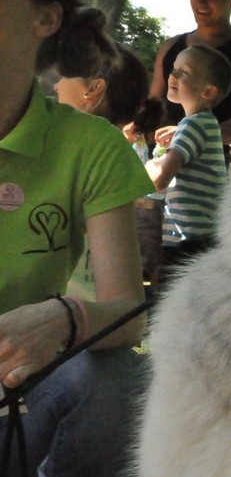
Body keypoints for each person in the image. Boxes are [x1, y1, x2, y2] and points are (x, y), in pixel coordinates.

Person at [0, 0, 152, 477]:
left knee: (116, 380)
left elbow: (129, 316)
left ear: (45, 19)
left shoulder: (88, 144)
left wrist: (64, 317)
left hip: (17, 400)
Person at [46, 19, 164, 298]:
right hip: (95, 313)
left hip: (73, 315)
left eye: (64, 77)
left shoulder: (83, 152)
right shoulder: (118, 151)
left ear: (93, 89)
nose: (55, 87)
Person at [148, 0, 231, 154]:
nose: (200, 1)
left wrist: (191, 134)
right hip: (160, 161)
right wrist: (138, 127)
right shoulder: (170, 47)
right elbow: (152, 107)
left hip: (209, 172)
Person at [146, 44, 231, 286]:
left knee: (161, 304)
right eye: (173, 70)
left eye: (183, 72)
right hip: (204, 238)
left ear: (207, 91)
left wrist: (147, 164)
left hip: (186, 240)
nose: (172, 76)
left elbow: (159, 179)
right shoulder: (206, 124)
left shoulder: (192, 126)